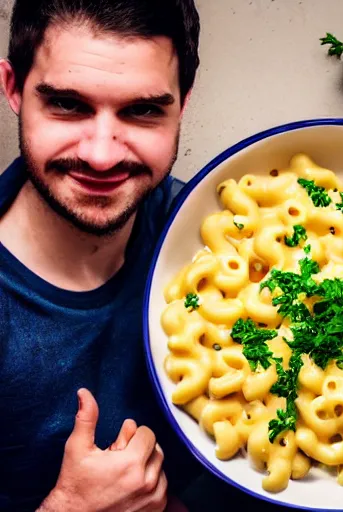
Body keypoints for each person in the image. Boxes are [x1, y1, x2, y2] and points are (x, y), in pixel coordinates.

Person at [0, 0, 202, 510]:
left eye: (143, 110)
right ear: (12, 89)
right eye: (68, 104)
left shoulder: (214, 234)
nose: (102, 154)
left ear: (183, 104)